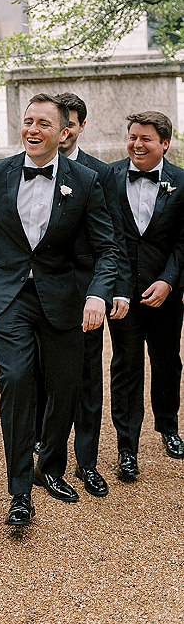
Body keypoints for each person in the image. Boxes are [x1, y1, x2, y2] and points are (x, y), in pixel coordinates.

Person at [0, 93, 117, 527]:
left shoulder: (85, 180)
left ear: (64, 132)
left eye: (44, 123)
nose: (32, 130)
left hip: (62, 298)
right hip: (11, 296)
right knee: (16, 379)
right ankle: (20, 491)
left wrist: (98, 294)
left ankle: (52, 468)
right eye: (28, 121)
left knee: (65, 389)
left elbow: (108, 249)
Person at [34, 92, 132, 497]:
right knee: (43, 375)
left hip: (88, 293)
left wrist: (117, 290)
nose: (67, 128)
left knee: (89, 378)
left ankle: (87, 462)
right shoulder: (28, 166)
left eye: (72, 122)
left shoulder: (99, 174)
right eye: (62, 121)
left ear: (79, 127)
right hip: (42, 292)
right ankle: (44, 450)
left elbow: (116, 238)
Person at [108, 111, 184, 479]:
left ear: (165, 143)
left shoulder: (182, 182)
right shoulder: (108, 177)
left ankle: (168, 427)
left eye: (146, 139)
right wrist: (117, 289)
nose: (136, 144)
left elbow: (183, 242)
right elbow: (107, 239)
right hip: (122, 294)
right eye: (132, 137)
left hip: (165, 292)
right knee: (126, 365)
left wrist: (169, 280)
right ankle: (127, 448)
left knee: (167, 360)